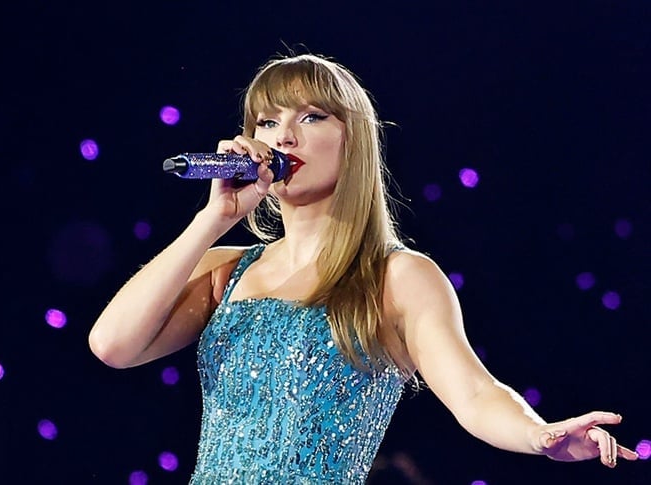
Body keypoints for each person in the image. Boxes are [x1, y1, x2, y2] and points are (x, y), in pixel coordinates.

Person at [88, 53, 638, 483]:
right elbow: (113, 345)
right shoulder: (222, 271)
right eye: (267, 121)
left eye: (310, 116)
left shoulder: (397, 277)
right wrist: (214, 220)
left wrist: (539, 435)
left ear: (354, 140)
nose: (282, 136)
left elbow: (474, 393)